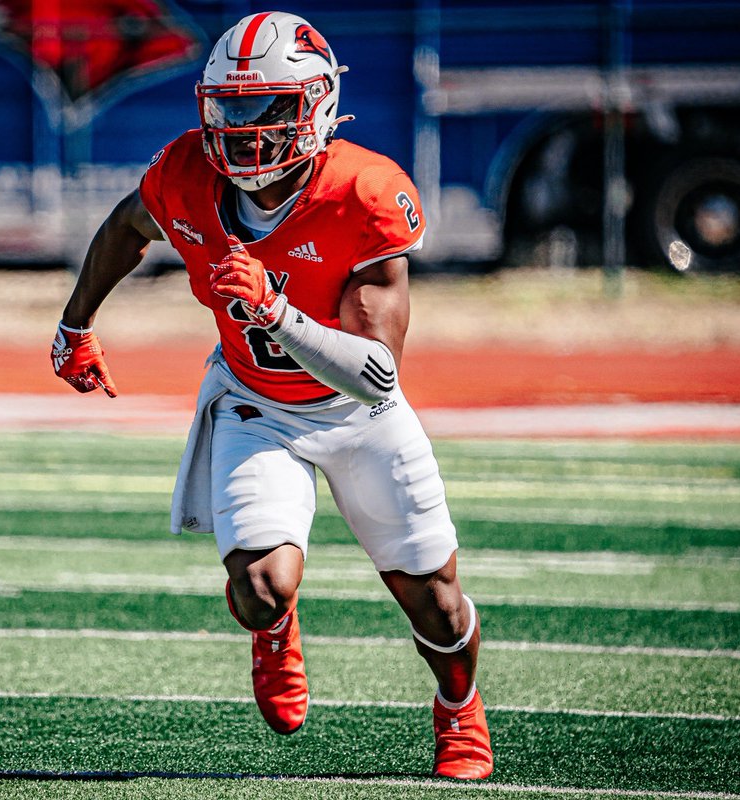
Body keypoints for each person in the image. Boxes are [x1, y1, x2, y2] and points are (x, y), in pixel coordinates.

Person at [50, 10, 493, 780]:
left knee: (437, 602)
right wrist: (74, 324)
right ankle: (274, 627)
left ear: (318, 104)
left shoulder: (365, 191)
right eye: (232, 108)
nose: (247, 130)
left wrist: (275, 312)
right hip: (256, 404)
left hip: (359, 417)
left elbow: (377, 375)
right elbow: (128, 226)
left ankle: (459, 707)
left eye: (270, 108)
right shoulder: (186, 172)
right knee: (259, 587)